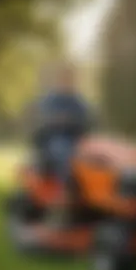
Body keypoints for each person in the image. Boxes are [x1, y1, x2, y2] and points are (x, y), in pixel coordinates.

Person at [30, 62, 95, 226]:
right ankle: (65, 192)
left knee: (96, 155)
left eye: (71, 78)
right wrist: (63, 120)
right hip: (54, 138)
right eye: (65, 78)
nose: (68, 81)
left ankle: (93, 196)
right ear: (60, 79)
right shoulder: (51, 100)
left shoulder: (78, 101)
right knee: (65, 151)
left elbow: (87, 119)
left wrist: (77, 122)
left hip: (77, 139)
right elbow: (47, 120)